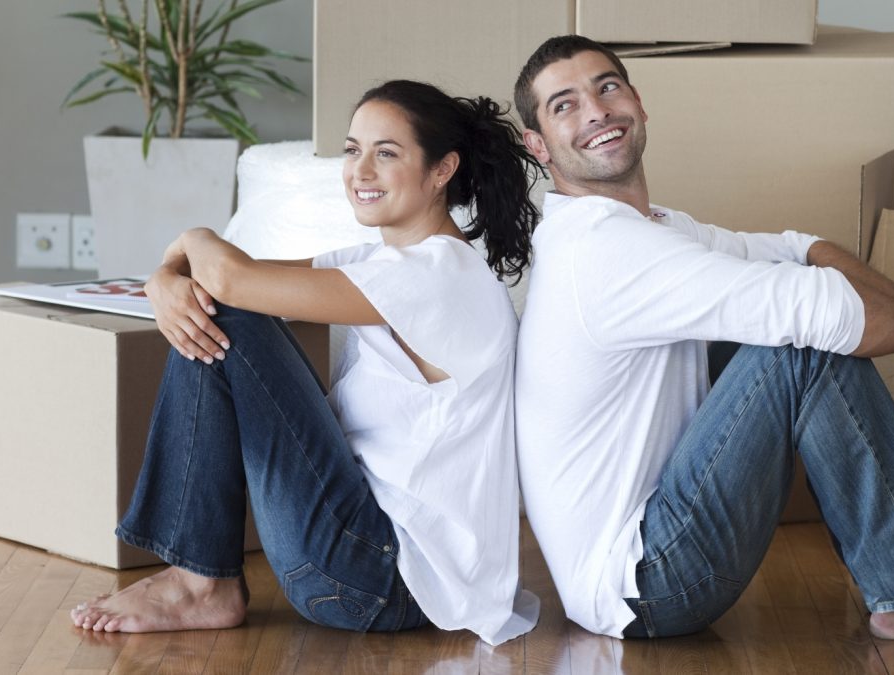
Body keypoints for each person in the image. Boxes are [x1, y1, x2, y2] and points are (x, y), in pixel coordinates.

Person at [512, 35, 894, 640]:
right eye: (565, 105)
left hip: (648, 549)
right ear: (539, 146)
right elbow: (824, 312)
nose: (596, 111)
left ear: (638, 103)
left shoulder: (647, 228)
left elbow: (795, 250)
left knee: (791, 312)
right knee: (801, 348)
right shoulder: (605, 250)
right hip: (648, 583)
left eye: (607, 87)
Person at [69, 80, 542, 645]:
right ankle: (198, 579)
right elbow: (221, 272)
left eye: (385, 153)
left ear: (441, 170)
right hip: (369, 564)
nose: (359, 170)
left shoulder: (436, 278)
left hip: (380, 579)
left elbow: (225, 278)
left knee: (231, 314)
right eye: (351, 150)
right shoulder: (384, 260)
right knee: (225, 305)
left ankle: (200, 583)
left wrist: (194, 238)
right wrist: (163, 279)